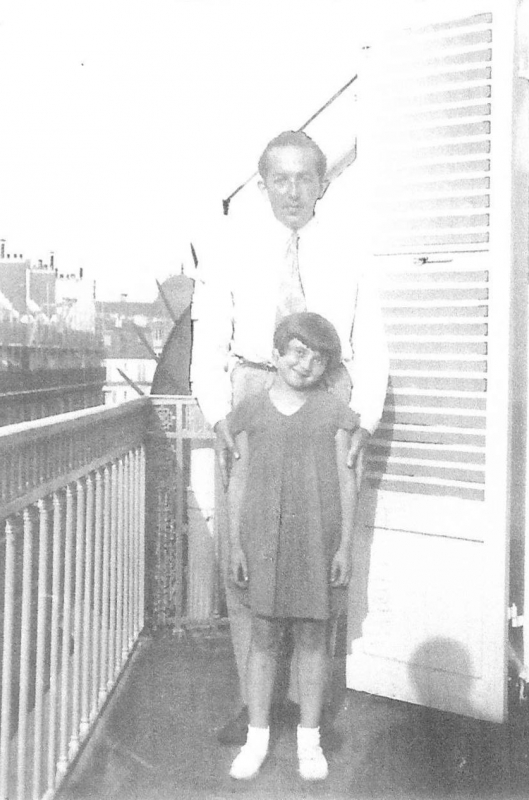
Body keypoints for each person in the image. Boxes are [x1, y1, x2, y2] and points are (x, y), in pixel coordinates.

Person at [190, 129, 389, 746]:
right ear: (262, 184)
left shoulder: (351, 248)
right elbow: (208, 344)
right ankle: (255, 701)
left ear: (323, 185)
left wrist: (366, 420)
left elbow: (374, 341)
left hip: (329, 393)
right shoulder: (230, 248)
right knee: (247, 547)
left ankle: (308, 703)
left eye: (306, 178)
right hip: (254, 391)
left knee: (321, 544)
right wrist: (219, 417)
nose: (294, 191)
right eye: (281, 178)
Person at [226, 312, 359, 781]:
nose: (306, 364)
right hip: (263, 541)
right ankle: (256, 738)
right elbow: (238, 480)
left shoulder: (335, 413)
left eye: (318, 358)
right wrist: (236, 544)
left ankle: (310, 742)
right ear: (276, 354)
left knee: (313, 642)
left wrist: (344, 547)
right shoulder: (250, 411)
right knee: (262, 641)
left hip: (316, 543)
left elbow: (347, 482)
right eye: (298, 353)